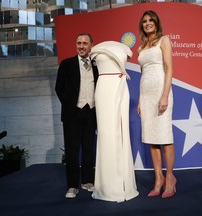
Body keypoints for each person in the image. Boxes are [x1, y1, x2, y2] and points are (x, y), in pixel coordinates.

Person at [90, 41, 139, 202]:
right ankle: (107, 186)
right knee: (106, 134)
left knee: (121, 131)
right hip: (103, 88)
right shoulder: (96, 50)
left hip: (121, 86)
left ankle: (124, 184)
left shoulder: (125, 49)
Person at [137, 10, 176, 199]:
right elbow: (143, 75)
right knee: (152, 139)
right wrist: (139, 100)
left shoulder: (164, 40)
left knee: (165, 137)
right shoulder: (141, 47)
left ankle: (169, 179)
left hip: (161, 91)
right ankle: (158, 179)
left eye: (150, 20)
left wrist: (165, 96)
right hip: (146, 96)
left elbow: (169, 69)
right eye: (144, 21)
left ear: (156, 23)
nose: (147, 23)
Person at [55, 33, 99, 199]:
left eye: (85, 43)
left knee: (88, 149)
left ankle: (87, 181)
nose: (81, 46)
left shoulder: (97, 65)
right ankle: (72, 185)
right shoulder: (67, 64)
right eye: (79, 43)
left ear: (91, 45)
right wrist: (69, 105)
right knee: (72, 151)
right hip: (72, 114)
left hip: (91, 112)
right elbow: (59, 88)